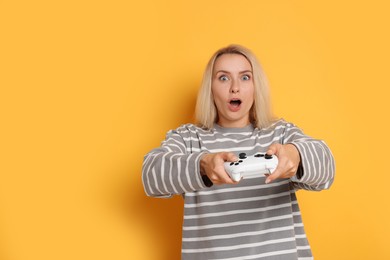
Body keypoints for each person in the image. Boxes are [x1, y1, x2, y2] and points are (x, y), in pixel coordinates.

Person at [142, 44, 335, 260]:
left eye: (245, 77)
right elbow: (150, 176)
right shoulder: (189, 139)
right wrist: (203, 164)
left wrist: (295, 155)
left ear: (255, 86)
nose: (235, 87)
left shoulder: (280, 133)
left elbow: (327, 169)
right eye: (223, 78)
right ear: (210, 88)